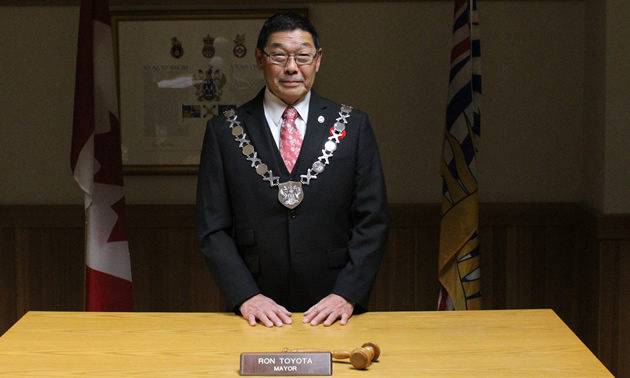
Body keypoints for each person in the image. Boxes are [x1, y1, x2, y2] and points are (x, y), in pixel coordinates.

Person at [196, 12, 388, 328]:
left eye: (302, 56)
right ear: (259, 59)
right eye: (279, 56)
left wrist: (347, 293)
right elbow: (212, 227)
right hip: (255, 308)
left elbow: (373, 220)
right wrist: (245, 296)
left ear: (318, 60)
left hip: (336, 305)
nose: (291, 68)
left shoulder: (353, 126)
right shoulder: (224, 131)